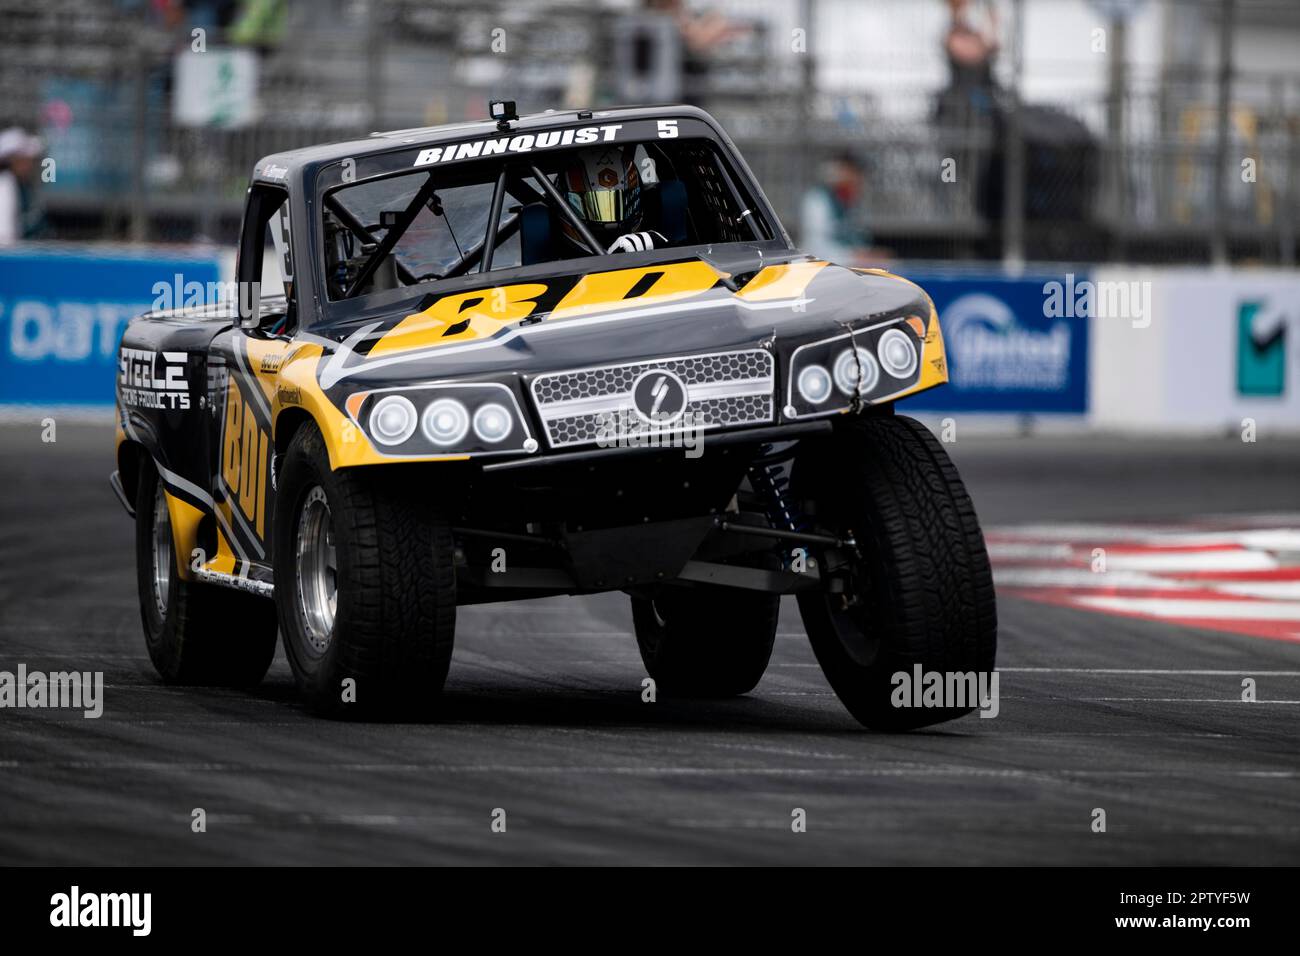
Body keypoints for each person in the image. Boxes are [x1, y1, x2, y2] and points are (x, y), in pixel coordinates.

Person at [560, 146, 667, 254]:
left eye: (620, 202)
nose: (611, 224)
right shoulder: (552, 264)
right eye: (597, 205)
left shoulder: (656, 244)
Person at [800, 151, 885, 265]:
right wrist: (853, 257)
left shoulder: (852, 204)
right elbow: (816, 246)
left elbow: (857, 240)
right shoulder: (818, 199)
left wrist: (868, 254)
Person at [0, 127, 44, 246]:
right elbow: (5, 239)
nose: (30, 165)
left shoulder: (21, 186)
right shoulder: (4, 185)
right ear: (11, 160)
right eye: (25, 159)